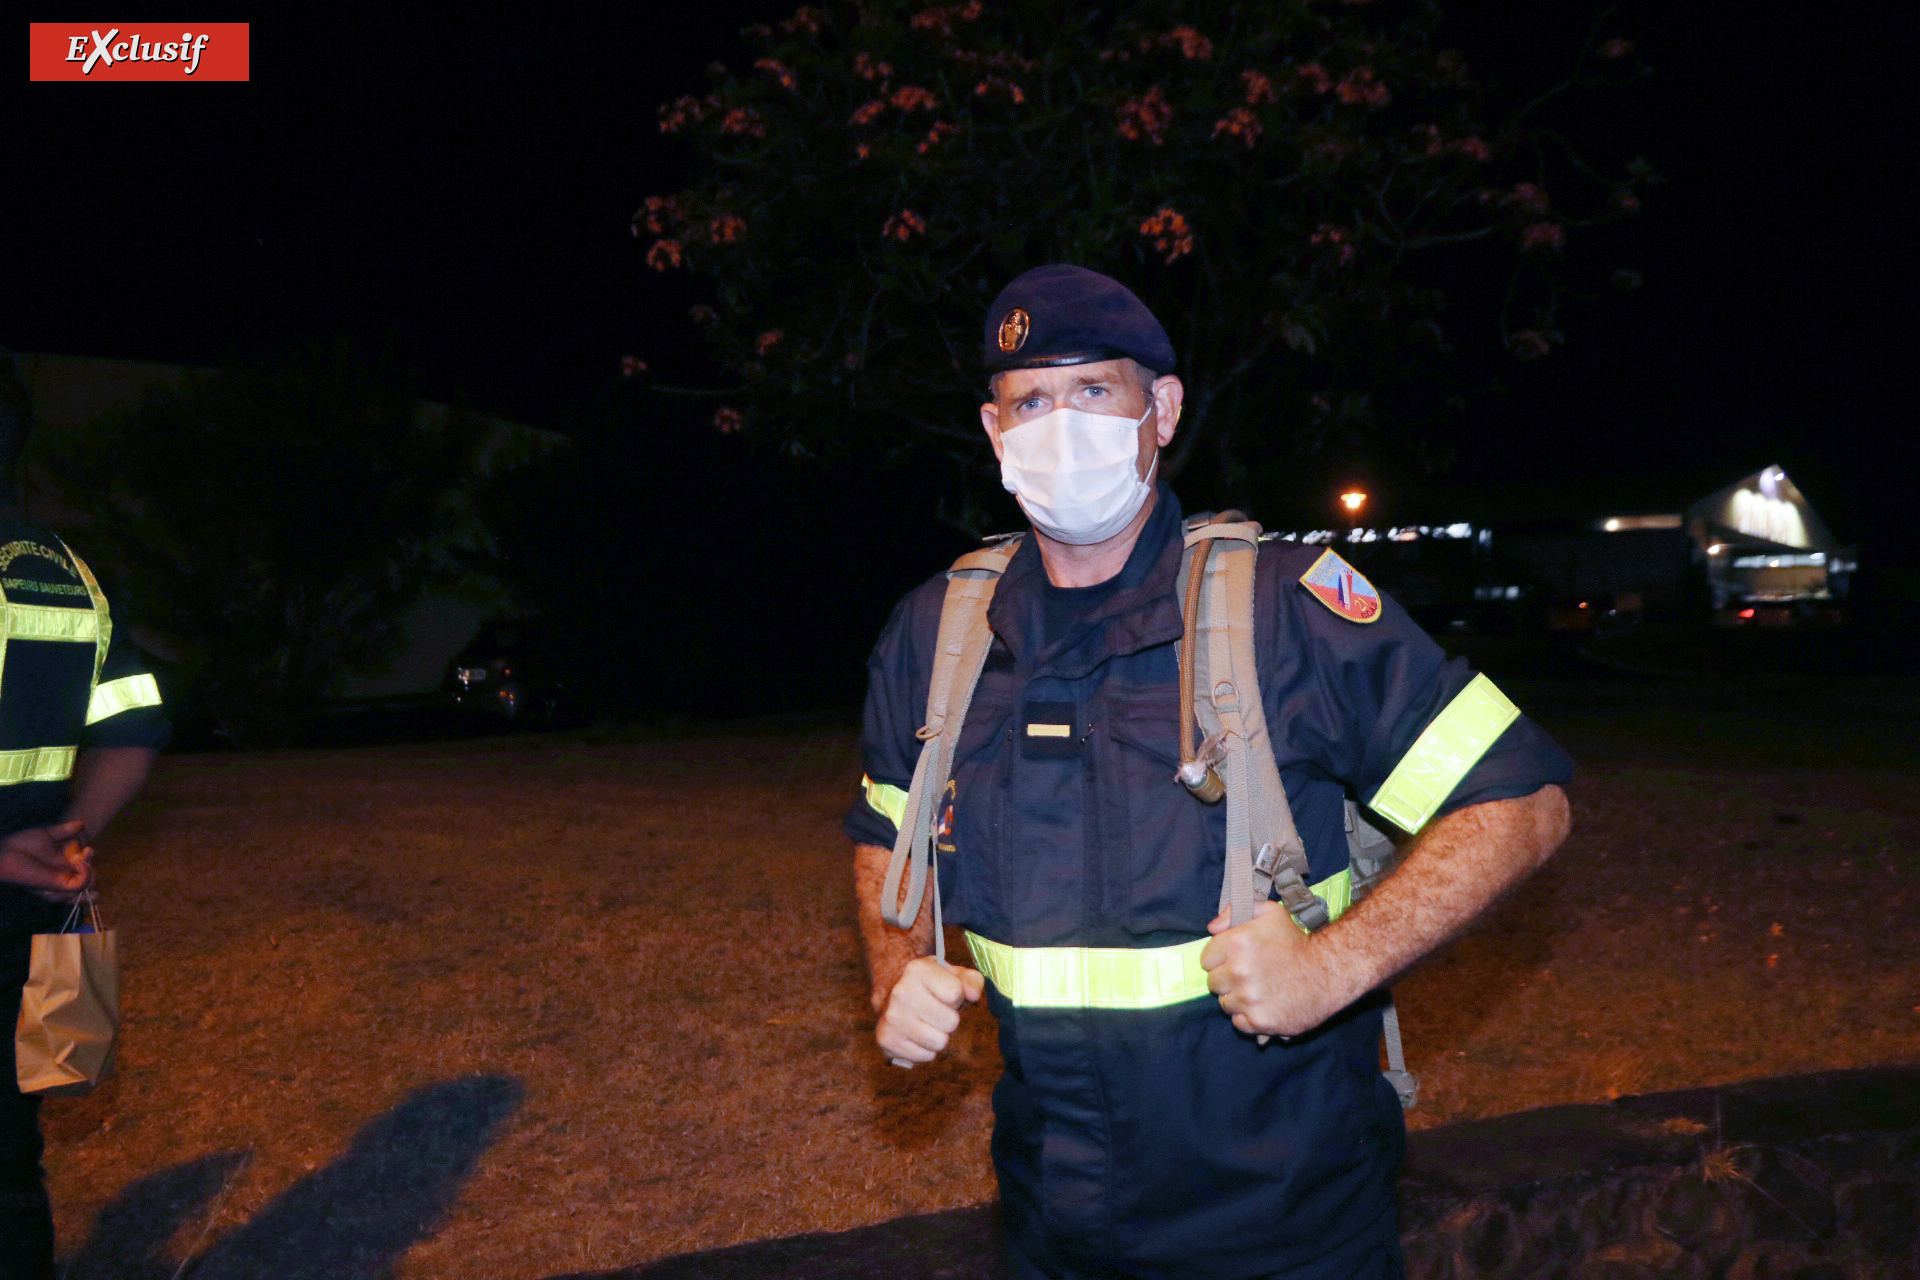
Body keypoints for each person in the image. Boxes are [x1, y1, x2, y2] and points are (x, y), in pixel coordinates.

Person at [847, 265, 1572, 1279]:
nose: (1062, 426)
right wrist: (896, 963)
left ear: (1163, 408)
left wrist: (1333, 967)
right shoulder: (941, 633)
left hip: (1287, 1228)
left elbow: (1519, 800)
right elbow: (886, 824)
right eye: (1031, 401)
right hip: (1050, 1224)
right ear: (992, 428)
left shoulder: (1288, 613)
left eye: (1095, 390)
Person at [0, 357, 168, 1280]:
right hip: (26, 911)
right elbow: (135, 719)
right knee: (10, 1158)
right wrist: (72, 833)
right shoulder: (68, 574)